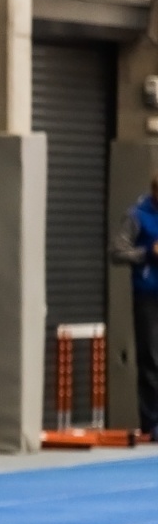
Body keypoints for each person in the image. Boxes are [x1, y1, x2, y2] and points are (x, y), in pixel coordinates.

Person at [111, 171, 158, 439]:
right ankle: (152, 422)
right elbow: (117, 252)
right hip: (148, 296)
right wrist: (148, 253)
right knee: (150, 357)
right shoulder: (136, 216)